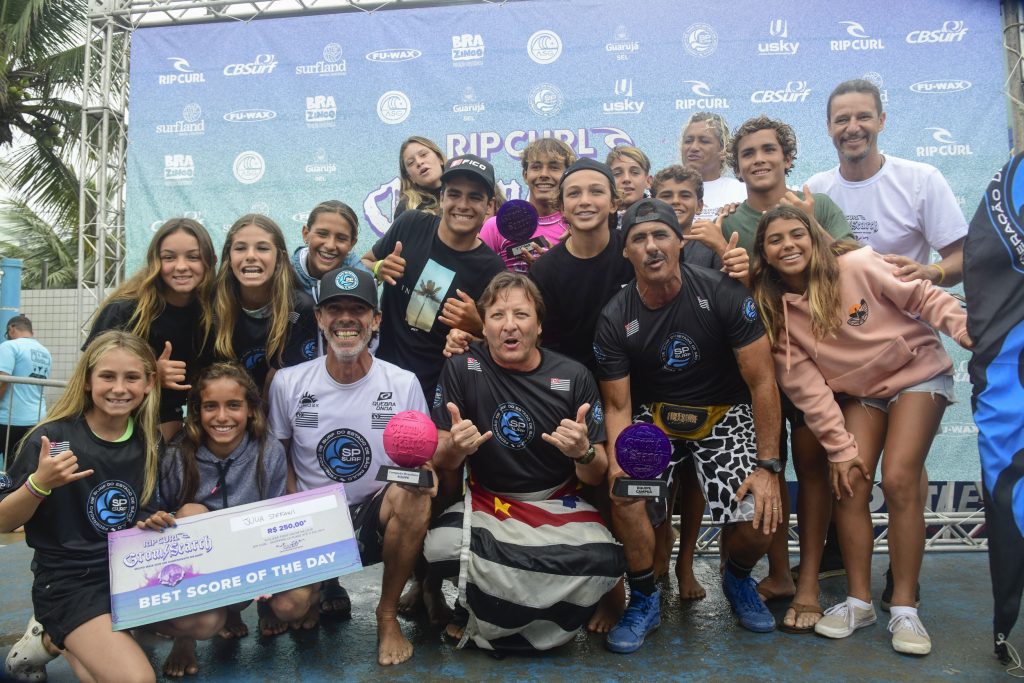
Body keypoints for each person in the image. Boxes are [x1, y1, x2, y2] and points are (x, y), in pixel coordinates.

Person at [751, 205, 971, 655]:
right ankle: (859, 601)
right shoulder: (778, 316)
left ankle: (906, 608)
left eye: (798, 234)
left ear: (815, 239)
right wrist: (839, 449)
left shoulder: (858, 264)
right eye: (776, 240)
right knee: (849, 480)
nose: (789, 244)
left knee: (898, 479)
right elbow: (809, 391)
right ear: (765, 256)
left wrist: (967, 331)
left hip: (917, 373)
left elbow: (924, 298)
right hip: (862, 394)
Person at [594, 198, 782, 651]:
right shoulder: (614, 317)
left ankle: (736, 578)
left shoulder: (724, 292)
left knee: (763, 514)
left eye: (661, 235)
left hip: (725, 413)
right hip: (654, 417)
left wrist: (769, 466)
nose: (652, 247)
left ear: (679, 243)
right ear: (626, 252)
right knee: (625, 498)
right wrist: (620, 461)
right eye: (639, 239)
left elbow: (762, 383)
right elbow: (618, 406)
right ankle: (643, 598)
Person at [425, 272, 623, 651]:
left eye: (521, 314)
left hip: (556, 503)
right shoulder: (462, 367)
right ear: (483, 325)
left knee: (604, 559)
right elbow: (440, 455)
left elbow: (597, 473)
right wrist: (457, 448)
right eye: (498, 315)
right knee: (441, 546)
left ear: (539, 325)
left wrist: (581, 451)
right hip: (490, 503)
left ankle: (515, 616)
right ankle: (480, 610)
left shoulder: (573, 375)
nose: (510, 325)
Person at [721, 115, 857, 621]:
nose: (759, 159)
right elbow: (730, 298)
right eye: (748, 153)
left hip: (825, 366)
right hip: (766, 370)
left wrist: (811, 225)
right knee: (771, 467)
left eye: (767, 150)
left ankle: (808, 581)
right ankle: (778, 574)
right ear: (737, 167)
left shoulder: (814, 204)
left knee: (816, 472)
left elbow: (853, 262)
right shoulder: (729, 223)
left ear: (787, 157)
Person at [268, 267, 435, 666]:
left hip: (371, 514)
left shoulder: (402, 382)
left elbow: (422, 464)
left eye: (358, 309)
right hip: (311, 517)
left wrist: (425, 477)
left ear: (375, 320)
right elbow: (279, 459)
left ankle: (387, 614)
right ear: (319, 319)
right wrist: (294, 512)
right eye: (334, 308)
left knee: (412, 497)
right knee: (289, 609)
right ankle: (316, 586)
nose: (346, 319)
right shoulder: (288, 383)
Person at [0, 331, 172, 683]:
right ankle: (58, 628)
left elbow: (137, 508)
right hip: (69, 582)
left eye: (132, 377)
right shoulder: (52, 440)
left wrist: (148, 518)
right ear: (88, 379)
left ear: (149, 383)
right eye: (108, 376)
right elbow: (3, 521)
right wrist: (38, 485)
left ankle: (53, 638)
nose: (119, 388)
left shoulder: (148, 440)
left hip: (126, 574)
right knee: (136, 680)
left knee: (204, 618)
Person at [141, 362, 287, 676]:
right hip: (200, 567)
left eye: (233, 405)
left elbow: (273, 515)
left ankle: (259, 605)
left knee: (295, 604)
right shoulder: (177, 454)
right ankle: (185, 640)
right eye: (211, 407)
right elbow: (162, 515)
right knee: (192, 512)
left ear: (250, 409)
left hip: (250, 554)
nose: (222, 417)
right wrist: (157, 518)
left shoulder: (269, 451)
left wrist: (268, 573)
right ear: (196, 412)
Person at [362, 153, 506, 399]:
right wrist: (378, 269)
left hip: (438, 392)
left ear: (489, 206)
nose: (463, 204)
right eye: (454, 194)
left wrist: (479, 327)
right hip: (380, 380)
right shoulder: (410, 224)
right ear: (441, 198)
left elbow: (504, 342)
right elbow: (364, 262)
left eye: (474, 197)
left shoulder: (493, 270)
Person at [806, 79, 966, 286]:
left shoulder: (921, 180)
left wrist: (930, 272)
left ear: (881, 121)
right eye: (842, 120)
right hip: (840, 317)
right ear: (829, 127)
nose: (853, 128)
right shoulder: (815, 189)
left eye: (863, 117)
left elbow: (962, 256)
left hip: (910, 316)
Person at [84, 218, 217, 440]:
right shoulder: (125, 310)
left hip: (174, 431)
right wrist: (150, 375)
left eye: (193, 257)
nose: (181, 266)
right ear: (155, 261)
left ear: (210, 262)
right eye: (169, 257)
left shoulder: (213, 313)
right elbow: (89, 375)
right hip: (117, 429)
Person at [213, 214, 321, 395]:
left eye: (262, 248)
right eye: (240, 248)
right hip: (228, 409)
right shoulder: (213, 307)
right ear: (228, 258)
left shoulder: (300, 309)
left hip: (278, 410)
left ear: (280, 258)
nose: (250, 256)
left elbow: (288, 383)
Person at [478, 138, 575, 271]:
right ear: (525, 175)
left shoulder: (575, 229)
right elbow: (477, 276)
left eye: (554, 167)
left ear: (566, 176)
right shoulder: (496, 226)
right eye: (536, 167)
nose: (544, 174)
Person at [291, 200, 367, 300]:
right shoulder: (285, 275)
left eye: (341, 238)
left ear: (352, 243)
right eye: (322, 234)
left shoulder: (362, 280)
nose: (330, 246)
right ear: (306, 234)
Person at [0, 316, 51, 459]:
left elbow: (3, 380)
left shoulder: (10, 346)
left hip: (9, 419)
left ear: (11, 329)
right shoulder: (45, 352)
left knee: (9, 468)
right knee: (19, 467)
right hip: (37, 419)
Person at [679, 112, 746, 221]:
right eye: (688, 141)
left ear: (723, 150)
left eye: (704, 141)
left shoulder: (742, 192)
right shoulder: (664, 191)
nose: (694, 147)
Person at [394, 136, 445, 220]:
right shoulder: (406, 206)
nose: (419, 162)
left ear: (440, 159)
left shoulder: (463, 189)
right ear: (409, 177)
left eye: (423, 155)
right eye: (411, 163)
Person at [607, 146, 653, 229]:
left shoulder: (661, 218)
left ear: (648, 181)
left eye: (634, 172)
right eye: (617, 173)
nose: (626, 179)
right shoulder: (600, 221)